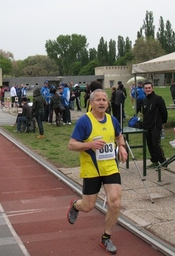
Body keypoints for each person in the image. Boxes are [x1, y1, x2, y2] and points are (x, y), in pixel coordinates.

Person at [67, 89, 128, 255]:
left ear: (108, 103)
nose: (102, 103)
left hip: (110, 167)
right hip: (91, 169)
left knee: (115, 202)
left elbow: (119, 135)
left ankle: (106, 237)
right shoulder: (84, 122)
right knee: (88, 206)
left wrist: (121, 147)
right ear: (91, 103)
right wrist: (89, 145)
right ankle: (75, 205)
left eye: (104, 100)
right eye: (98, 100)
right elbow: (71, 145)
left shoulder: (112, 119)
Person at [142, 81, 168, 167]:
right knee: (149, 144)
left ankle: (163, 162)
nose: (148, 89)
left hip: (156, 126)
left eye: (149, 88)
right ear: (143, 89)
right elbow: (144, 113)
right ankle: (154, 160)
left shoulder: (158, 99)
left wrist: (162, 122)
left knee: (156, 144)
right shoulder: (144, 100)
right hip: (147, 126)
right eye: (146, 88)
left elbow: (164, 112)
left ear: (152, 88)